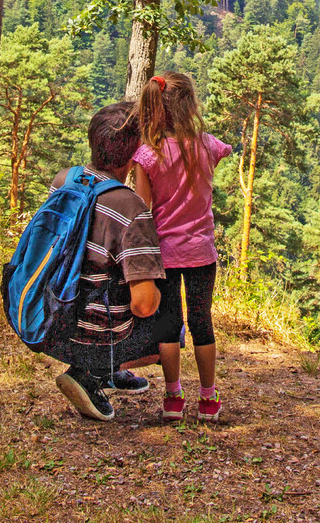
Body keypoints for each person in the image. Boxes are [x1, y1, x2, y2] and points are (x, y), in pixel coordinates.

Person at [49, 103, 165, 422]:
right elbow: (143, 306)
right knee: (169, 321)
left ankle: (105, 368)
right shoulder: (130, 207)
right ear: (135, 155)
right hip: (89, 334)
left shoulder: (63, 180)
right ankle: (94, 371)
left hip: (50, 319)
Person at [131, 71, 231, 422]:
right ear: (189, 106)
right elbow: (223, 152)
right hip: (201, 252)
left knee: (168, 324)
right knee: (202, 322)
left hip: (165, 255)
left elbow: (143, 207)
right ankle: (208, 398)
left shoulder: (147, 155)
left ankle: (173, 397)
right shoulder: (208, 145)